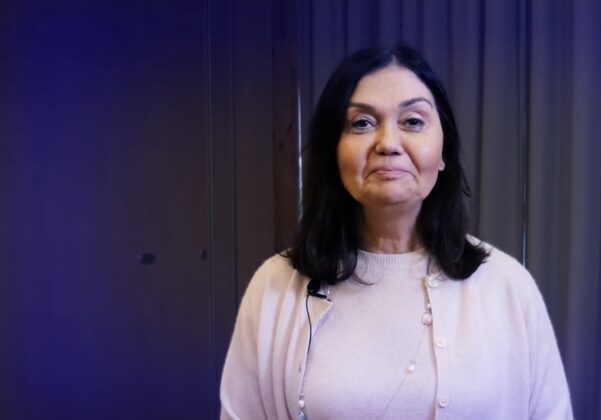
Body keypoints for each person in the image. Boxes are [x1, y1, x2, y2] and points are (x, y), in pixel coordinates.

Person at [219, 44, 573, 420]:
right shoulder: (275, 287)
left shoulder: (508, 286)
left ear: (444, 151)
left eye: (413, 121)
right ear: (333, 151)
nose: (388, 144)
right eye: (361, 123)